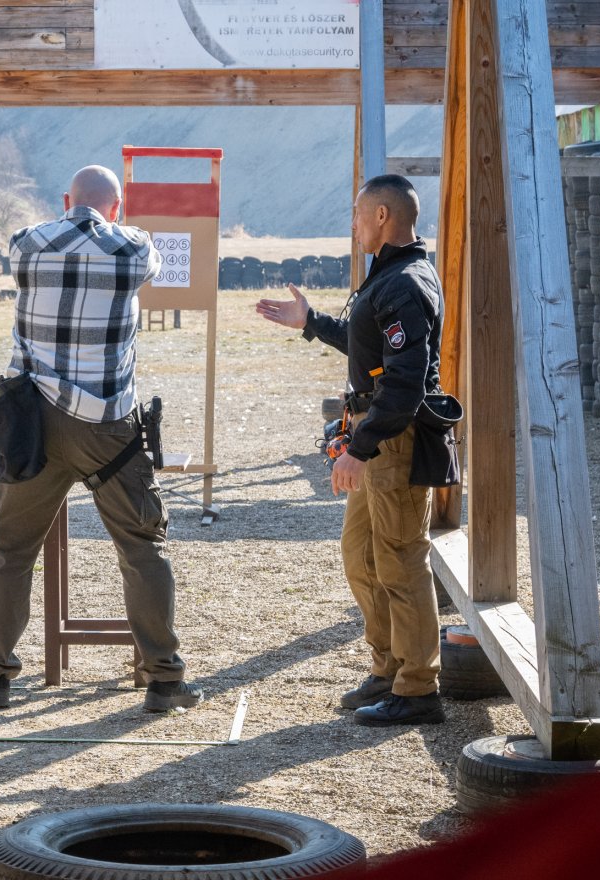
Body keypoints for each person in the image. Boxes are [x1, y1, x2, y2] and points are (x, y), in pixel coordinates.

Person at [0, 165, 203, 713]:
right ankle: (163, 677)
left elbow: (36, 237)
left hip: (34, 424)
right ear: (116, 208)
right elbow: (142, 251)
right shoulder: (133, 250)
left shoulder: (27, 245)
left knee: (9, 551)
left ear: (65, 200)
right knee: (142, 547)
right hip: (107, 427)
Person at [256, 174, 445, 726]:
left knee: (401, 560)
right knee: (362, 557)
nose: (354, 224)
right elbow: (371, 350)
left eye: (359, 214)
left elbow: (406, 381)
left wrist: (360, 447)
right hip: (376, 433)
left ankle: (417, 688)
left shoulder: (406, 281)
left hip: (393, 438)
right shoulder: (388, 277)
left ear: (383, 216)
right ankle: (389, 671)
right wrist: (312, 324)